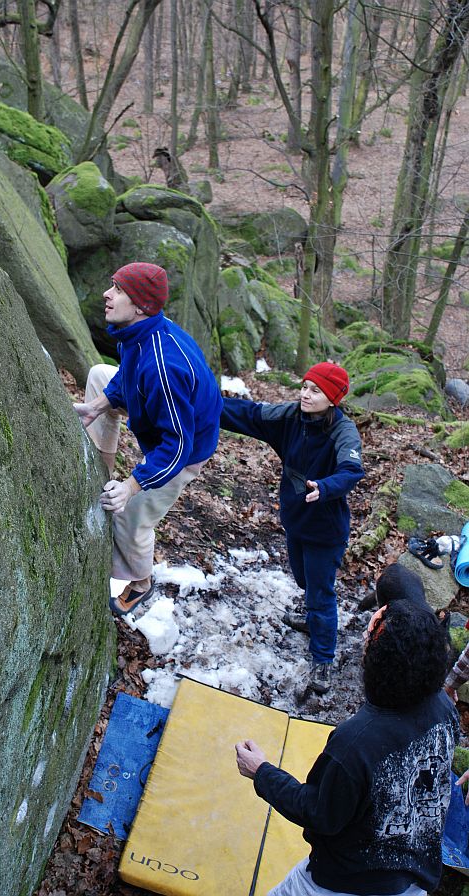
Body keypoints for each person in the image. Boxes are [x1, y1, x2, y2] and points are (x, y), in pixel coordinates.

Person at [235, 600, 459, 896]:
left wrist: (261, 772)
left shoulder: (356, 743)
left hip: (345, 883)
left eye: (374, 634)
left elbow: (318, 813)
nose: (367, 637)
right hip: (413, 877)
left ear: (381, 661)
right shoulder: (444, 709)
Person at [74, 262, 223, 616]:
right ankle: (103, 468)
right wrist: (98, 406)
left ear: (140, 305)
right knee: (99, 375)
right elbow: (127, 372)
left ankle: (141, 583)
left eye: (119, 290)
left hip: (185, 449)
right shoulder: (136, 332)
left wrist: (132, 485)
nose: (107, 295)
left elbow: (177, 446)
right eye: (112, 285)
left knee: (129, 516)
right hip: (164, 419)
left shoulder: (163, 366)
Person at [220, 362, 364, 694]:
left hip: (325, 532)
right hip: (295, 520)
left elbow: (352, 469)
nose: (305, 394)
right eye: (304, 387)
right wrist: (206, 405)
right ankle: (312, 617)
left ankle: (323, 659)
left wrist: (326, 487)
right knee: (303, 579)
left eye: (315, 391)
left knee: (320, 593)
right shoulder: (291, 417)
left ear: (332, 399)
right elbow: (251, 415)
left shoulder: (343, 432)